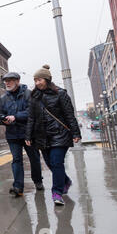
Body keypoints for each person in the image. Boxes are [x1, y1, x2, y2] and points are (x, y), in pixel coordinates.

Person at [25, 65, 81, 206]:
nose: (37, 83)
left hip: (59, 134)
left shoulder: (60, 94)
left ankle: (56, 192)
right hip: (42, 136)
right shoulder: (34, 97)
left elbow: (69, 115)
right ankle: (65, 181)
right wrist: (28, 136)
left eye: (40, 80)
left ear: (47, 79)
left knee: (56, 162)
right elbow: (31, 118)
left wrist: (75, 133)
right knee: (50, 163)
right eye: (35, 80)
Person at [0, 72, 44, 198]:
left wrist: (15, 117)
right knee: (16, 160)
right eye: (5, 81)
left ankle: (38, 180)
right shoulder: (3, 99)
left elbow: (32, 112)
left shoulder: (28, 94)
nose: (7, 83)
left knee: (34, 158)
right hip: (12, 135)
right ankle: (18, 187)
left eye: (10, 80)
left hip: (28, 134)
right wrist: (3, 120)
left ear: (17, 81)